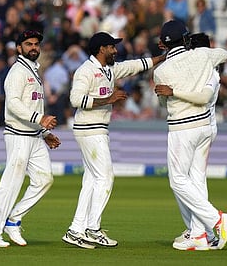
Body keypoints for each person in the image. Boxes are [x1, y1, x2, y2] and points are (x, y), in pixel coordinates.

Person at [62, 31, 165, 249]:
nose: (115, 50)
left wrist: (163, 57)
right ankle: (93, 228)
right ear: (101, 49)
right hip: (89, 129)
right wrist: (108, 99)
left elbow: (137, 65)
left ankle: (75, 230)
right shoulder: (86, 70)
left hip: (96, 129)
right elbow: (75, 99)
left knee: (91, 181)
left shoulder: (110, 69)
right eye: (112, 47)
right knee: (105, 178)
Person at [153, 20, 227, 251]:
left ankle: (217, 220)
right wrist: (202, 54)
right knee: (196, 179)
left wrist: (174, 91)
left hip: (182, 128)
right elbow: (225, 55)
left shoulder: (161, 71)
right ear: (186, 38)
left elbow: (163, 102)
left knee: (178, 180)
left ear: (163, 44)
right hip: (204, 126)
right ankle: (200, 235)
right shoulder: (204, 56)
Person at [0, 30, 60, 247]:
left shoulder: (33, 70)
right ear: (18, 48)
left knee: (44, 179)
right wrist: (40, 119)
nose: (34, 47)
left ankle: (12, 221)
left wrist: (44, 133)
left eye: (36, 44)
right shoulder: (17, 72)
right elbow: (12, 103)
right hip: (18, 135)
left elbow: (33, 104)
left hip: (34, 136)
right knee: (11, 183)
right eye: (28, 44)